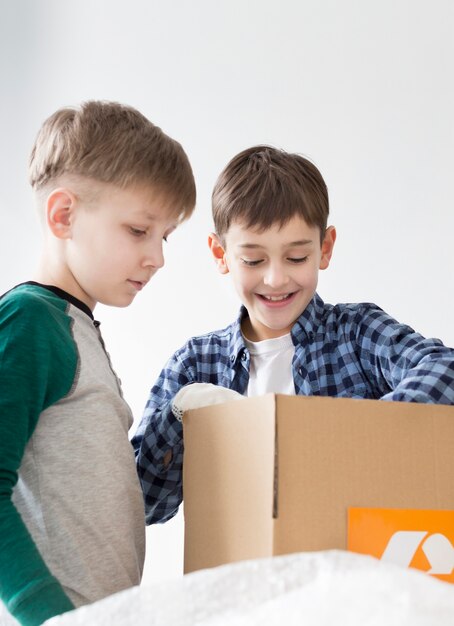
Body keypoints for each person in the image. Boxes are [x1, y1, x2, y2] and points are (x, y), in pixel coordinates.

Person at [132, 144, 454, 527]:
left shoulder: (356, 334)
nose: (276, 279)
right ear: (220, 254)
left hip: (344, 568)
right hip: (243, 573)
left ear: (325, 248)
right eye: (253, 260)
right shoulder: (197, 363)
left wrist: (362, 434)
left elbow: (444, 367)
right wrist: (177, 413)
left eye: (296, 258)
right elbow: (144, 504)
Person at [0, 101, 196, 626]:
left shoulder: (76, 327)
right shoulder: (31, 323)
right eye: (138, 230)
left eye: (165, 237)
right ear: (63, 215)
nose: (157, 257)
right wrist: (45, 614)